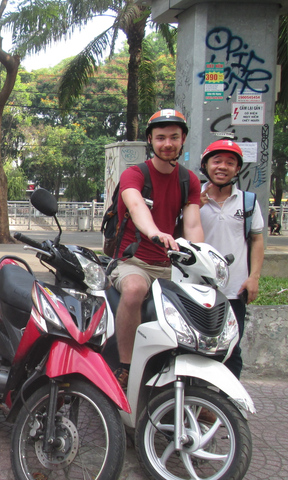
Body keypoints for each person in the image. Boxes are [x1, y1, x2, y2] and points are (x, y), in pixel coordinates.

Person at [110, 109, 204, 390]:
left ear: (183, 139)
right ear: (150, 140)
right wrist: (154, 232)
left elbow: (194, 225)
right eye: (160, 137)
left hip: (171, 266)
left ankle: (194, 383)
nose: (167, 143)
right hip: (133, 261)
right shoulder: (134, 174)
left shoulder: (190, 181)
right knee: (134, 290)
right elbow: (135, 204)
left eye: (174, 137)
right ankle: (126, 368)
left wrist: (200, 256)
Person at [199, 139, 264, 378]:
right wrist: (193, 206)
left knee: (232, 350)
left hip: (234, 290)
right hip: (198, 289)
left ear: (237, 169)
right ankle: (199, 402)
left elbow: (256, 240)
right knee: (197, 348)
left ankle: (228, 405)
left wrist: (253, 277)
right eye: (217, 161)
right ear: (206, 165)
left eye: (230, 162)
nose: (223, 167)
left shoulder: (248, 202)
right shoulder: (193, 198)